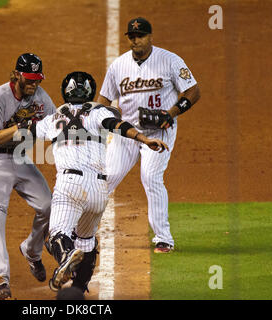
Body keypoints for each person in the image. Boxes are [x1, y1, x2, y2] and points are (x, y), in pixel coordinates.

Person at [27, 71, 168, 293]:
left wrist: (1, 134)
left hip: (69, 185)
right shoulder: (100, 112)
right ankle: (80, 287)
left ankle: (65, 257)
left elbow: (26, 132)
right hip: (98, 191)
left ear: (65, 91)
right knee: (86, 241)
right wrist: (144, 138)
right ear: (91, 91)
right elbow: (118, 124)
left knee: (56, 234)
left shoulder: (53, 118)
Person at [97, 17, 201, 253]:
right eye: (132, 36)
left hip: (159, 131)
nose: (136, 40)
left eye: (140, 36)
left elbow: (193, 91)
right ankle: (83, 233)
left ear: (150, 37)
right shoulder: (118, 66)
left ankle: (164, 238)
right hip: (128, 133)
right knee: (106, 177)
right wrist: (100, 120)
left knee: (151, 177)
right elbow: (103, 101)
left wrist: (171, 113)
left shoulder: (170, 60)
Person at [0, 53, 56, 300]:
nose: (33, 85)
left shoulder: (41, 97)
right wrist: (20, 128)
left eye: (37, 80)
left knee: (48, 205)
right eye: (29, 80)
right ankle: (1, 281)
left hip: (20, 158)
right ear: (17, 75)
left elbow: (54, 124)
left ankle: (32, 251)